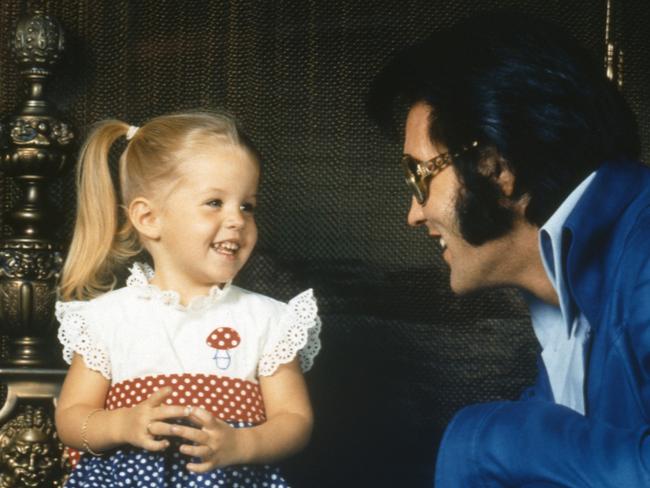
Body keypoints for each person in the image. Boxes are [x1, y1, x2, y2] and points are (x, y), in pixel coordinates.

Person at [369, 11, 650, 487]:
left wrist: (484, 439)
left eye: (420, 177)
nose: (413, 214)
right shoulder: (569, 307)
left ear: (495, 167)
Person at [54, 111, 321, 487]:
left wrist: (242, 443)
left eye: (248, 205)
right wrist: (121, 423)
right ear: (148, 218)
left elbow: (294, 420)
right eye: (215, 202)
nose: (237, 220)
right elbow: (70, 419)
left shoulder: (267, 319)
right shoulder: (108, 318)